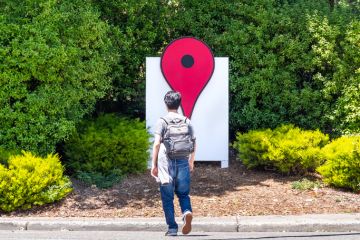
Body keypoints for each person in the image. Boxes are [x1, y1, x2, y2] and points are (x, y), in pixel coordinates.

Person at [151, 90, 196, 236]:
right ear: (179, 104)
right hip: (183, 160)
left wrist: (154, 165)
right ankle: (187, 212)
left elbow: (157, 144)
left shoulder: (162, 121)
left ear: (166, 104)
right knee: (183, 194)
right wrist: (191, 161)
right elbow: (194, 141)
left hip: (166, 164)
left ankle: (172, 228)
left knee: (167, 197)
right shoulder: (186, 120)